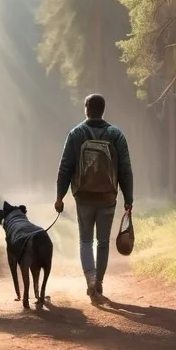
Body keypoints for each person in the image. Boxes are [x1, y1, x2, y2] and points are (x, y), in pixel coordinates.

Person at [54, 93, 133, 304]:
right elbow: (125, 169)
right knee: (103, 242)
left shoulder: (76, 134)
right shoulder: (116, 135)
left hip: (84, 196)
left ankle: (89, 277)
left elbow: (65, 167)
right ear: (103, 110)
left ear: (86, 109)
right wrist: (129, 198)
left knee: (86, 240)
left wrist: (60, 196)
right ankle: (99, 280)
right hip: (108, 197)